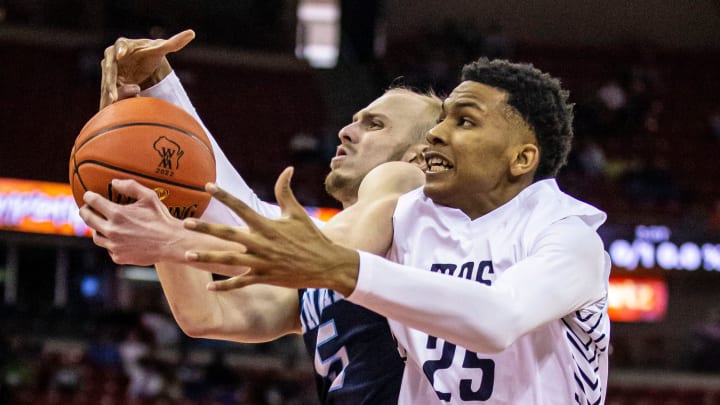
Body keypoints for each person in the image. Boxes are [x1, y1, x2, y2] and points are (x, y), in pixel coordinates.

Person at [185, 58, 612, 404]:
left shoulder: (566, 236)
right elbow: (221, 293)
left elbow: (498, 318)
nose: (438, 136)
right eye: (443, 121)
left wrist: (340, 266)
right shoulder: (417, 225)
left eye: (463, 122)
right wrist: (169, 209)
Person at [80, 30, 442, 404]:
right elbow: (207, 314)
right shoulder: (335, 253)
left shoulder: (411, 191)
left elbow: (310, 251)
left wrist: (172, 238)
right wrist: (155, 172)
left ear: (419, 156)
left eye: (375, 125)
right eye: (355, 120)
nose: (346, 131)